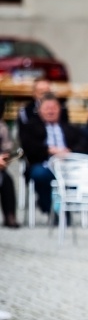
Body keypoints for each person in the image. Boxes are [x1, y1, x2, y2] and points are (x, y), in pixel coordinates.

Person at [18, 93, 85, 215]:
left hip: (68, 164)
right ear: (40, 110)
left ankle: (68, 207)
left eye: (54, 108)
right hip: (44, 163)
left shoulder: (69, 128)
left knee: (81, 174)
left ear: (59, 109)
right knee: (39, 174)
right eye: (47, 108)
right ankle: (50, 208)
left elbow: (83, 144)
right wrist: (50, 150)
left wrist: (68, 152)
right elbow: (29, 147)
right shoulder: (31, 127)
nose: (50, 111)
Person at [0, 98, 19, 228]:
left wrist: (4, 158)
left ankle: (10, 215)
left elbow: (7, 148)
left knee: (7, 180)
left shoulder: (2, 127)